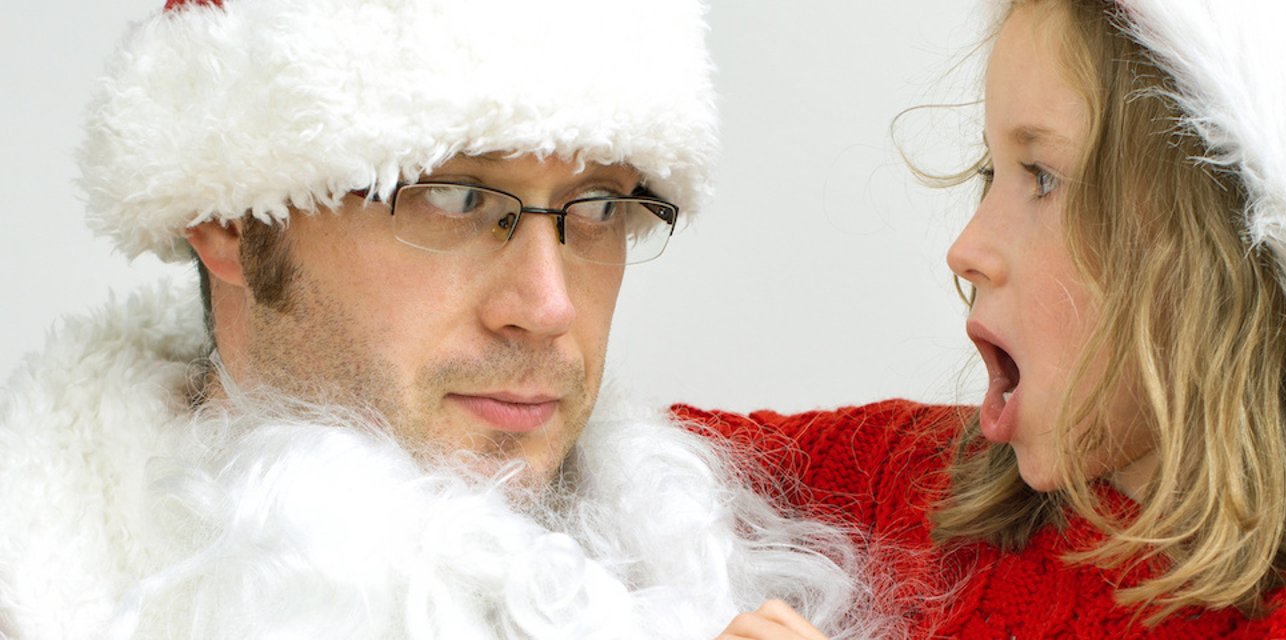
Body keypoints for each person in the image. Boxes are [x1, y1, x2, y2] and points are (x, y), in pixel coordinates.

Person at [682, 0, 1286, 637]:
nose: (966, 247)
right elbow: (601, 468)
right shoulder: (912, 486)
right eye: (986, 173)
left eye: (1042, 176)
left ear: (1212, 266)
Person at [0, 0, 884, 638]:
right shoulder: (29, 584)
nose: (547, 308)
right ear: (229, 214)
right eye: (456, 197)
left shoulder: (709, 562)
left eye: (600, 209)